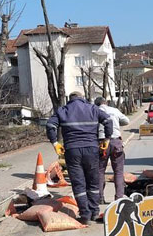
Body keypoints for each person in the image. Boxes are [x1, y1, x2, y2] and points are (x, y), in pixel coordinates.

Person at [46, 91, 112, 225]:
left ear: (69, 99)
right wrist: (107, 138)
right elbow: (108, 121)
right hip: (91, 149)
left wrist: (55, 143)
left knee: (78, 183)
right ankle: (94, 211)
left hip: (72, 150)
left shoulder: (63, 110)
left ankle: (85, 214)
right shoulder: (93, 108)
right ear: (83, 98)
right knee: (93, 181)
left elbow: (50, 126)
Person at [94, 97, 130, 204]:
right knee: (118, 172)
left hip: (101, 142)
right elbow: (126, 121)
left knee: (100, 171)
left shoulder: (94, 111)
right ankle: (119, 198)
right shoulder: (114, 110)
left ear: (97, 104)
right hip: (115, 142)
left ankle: (100, 198)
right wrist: (117, 124)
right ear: (106, 103)